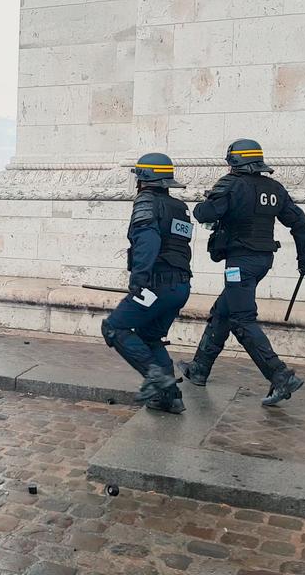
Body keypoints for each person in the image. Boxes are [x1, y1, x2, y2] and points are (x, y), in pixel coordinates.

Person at [178, 139, 305, 407]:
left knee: (241, 319)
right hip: (263, 260)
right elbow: (298, 221)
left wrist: (211, 198)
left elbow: (203, 213)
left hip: (240, 262)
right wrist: (304, 256)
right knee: (223, 312)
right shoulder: (274, 189)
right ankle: (199, 368)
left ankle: (280, 375)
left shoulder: (231, 185)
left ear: (235, 162)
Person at [100, 153, 193, 414]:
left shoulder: (146, 202)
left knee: (114, 328)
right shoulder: (179, 208)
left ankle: (155, 377)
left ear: (145, 178)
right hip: (181, 286)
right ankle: (171, 398)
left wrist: (138, 281)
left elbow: (148, 242)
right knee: (150, 336)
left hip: (156, 285)